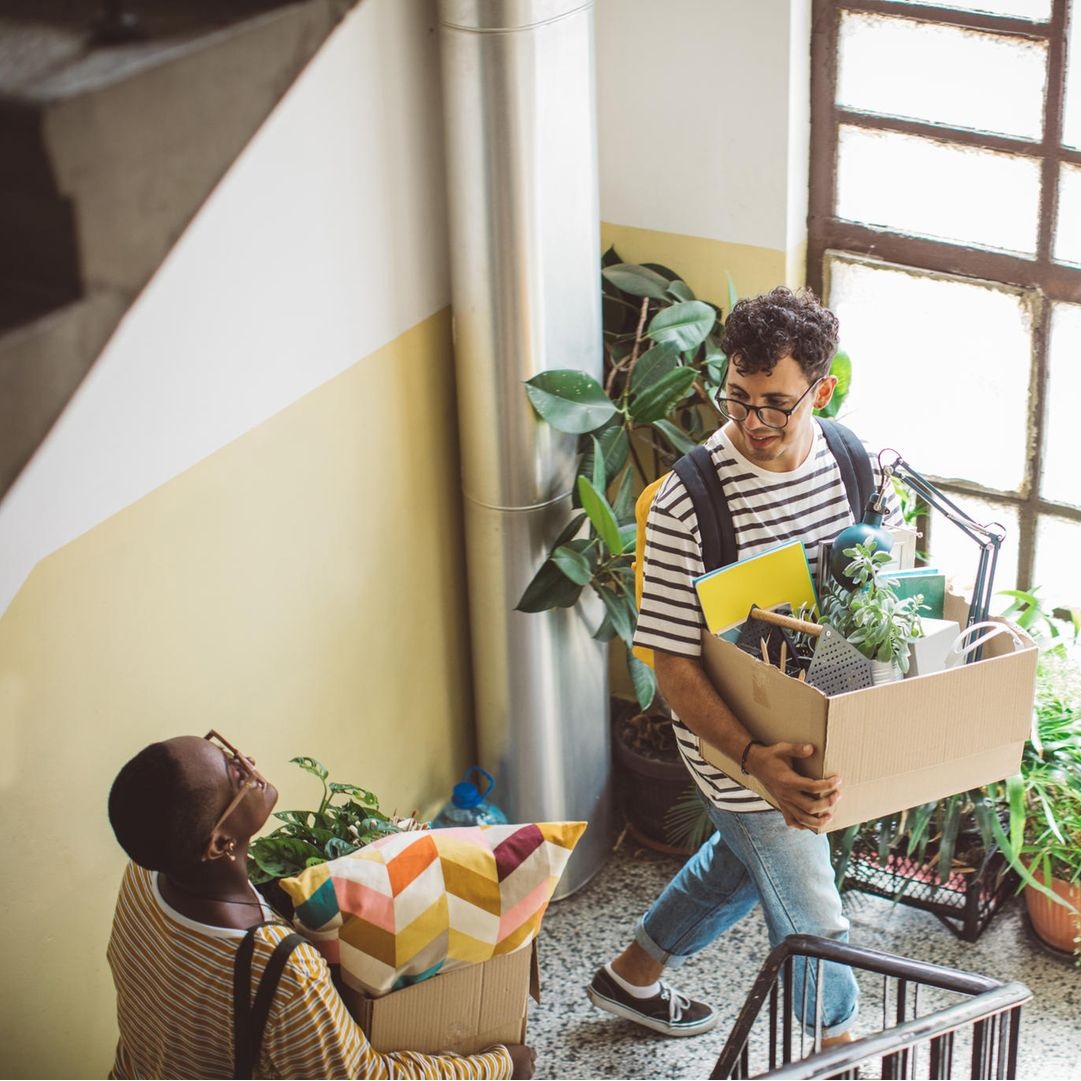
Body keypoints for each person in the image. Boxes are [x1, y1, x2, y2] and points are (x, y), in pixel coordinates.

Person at [588, 287, 897, 1042]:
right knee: (812, 906)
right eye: (738, 398)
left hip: (819, 710)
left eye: (777, 404)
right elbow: (672, 665)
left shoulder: (852, 463)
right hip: (730, 744)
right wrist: (759, 761)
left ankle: (629, 976)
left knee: (740, 858)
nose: (753, 422)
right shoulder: (685, 503)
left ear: (820, 390)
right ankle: (835, 1047)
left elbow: (876, 589)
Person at [106, 730, 536, 1079]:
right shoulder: (280, 969)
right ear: (220, 843)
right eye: (235, 774)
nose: (249, 761)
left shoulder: (144, 879)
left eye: (225, 747)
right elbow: (368, 1078)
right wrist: (500, 1064)